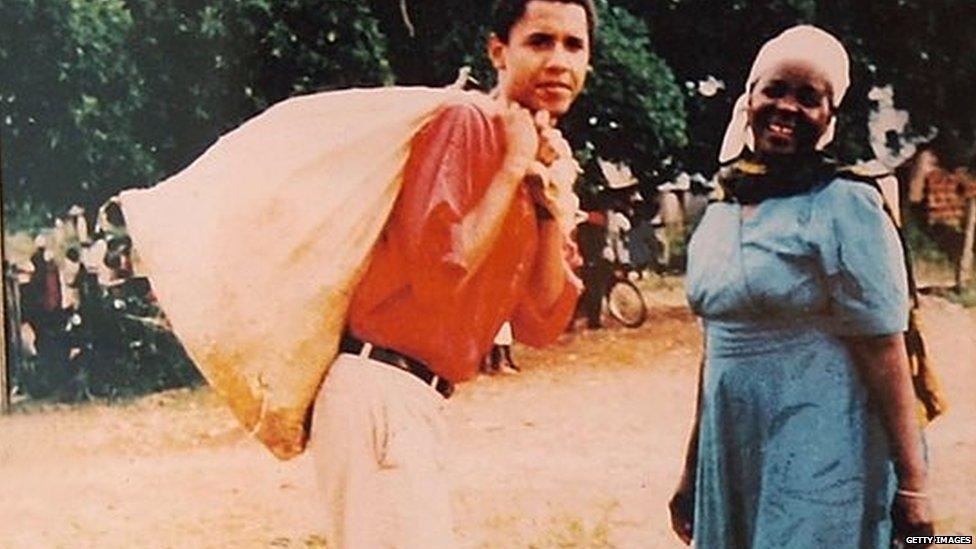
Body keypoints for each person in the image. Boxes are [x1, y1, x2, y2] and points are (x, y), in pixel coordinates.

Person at [307, 0, 595, 546]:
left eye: (573, 45)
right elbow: (442, 269)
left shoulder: (536, 157)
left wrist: (551, 206)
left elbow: (541, 322)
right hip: (381, 388)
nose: (559, 60)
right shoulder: (465, 124)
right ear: (498, 52)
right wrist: (511, 166)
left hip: (420, 400)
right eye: (540, 41)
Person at [670, 26, 934, 548]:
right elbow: (714, 355)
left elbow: (886, 350)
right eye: (774, 90)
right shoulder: (721, 207)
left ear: (829, 118)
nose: (786, 107)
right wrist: (691, 472)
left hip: (821, 446)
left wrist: (916, 488)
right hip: (732, 453)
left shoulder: (846, 203)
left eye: (809, 97)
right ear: (749, 98)